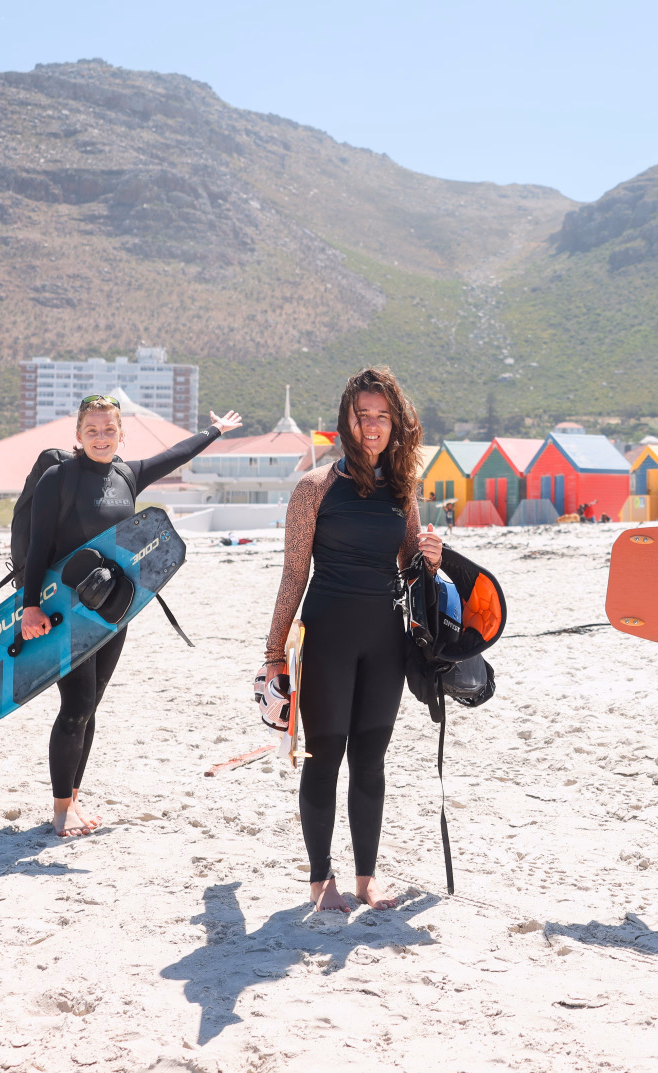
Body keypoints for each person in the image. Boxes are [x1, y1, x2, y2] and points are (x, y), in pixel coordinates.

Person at [259, 367, 442, 911]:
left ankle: (365, 880)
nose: (372, 426)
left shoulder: (401, 492)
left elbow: (410, 565)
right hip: (328, 639)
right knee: (324, 756)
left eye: (383, 416)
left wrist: (431, 559)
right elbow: (293, 576)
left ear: (396, 423)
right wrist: (273, 654)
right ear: (347, 420)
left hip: (384, 640)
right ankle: (322, 882)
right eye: (363, 415)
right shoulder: (314, 489)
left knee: (371, 757)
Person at [19, 394, 243, 836]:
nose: (101, 438)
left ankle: (73, 801)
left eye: (109, 430)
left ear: (122, 434)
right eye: (92, 430)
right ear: (78, 435)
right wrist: (29, 606)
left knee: (91, 705)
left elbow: (175, 455)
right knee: (76, 705)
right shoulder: (57, 479)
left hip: (113, 608)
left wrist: (213, 431)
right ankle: (61, 810)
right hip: (66, 610)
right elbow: (37, 546)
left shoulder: (126, 474)